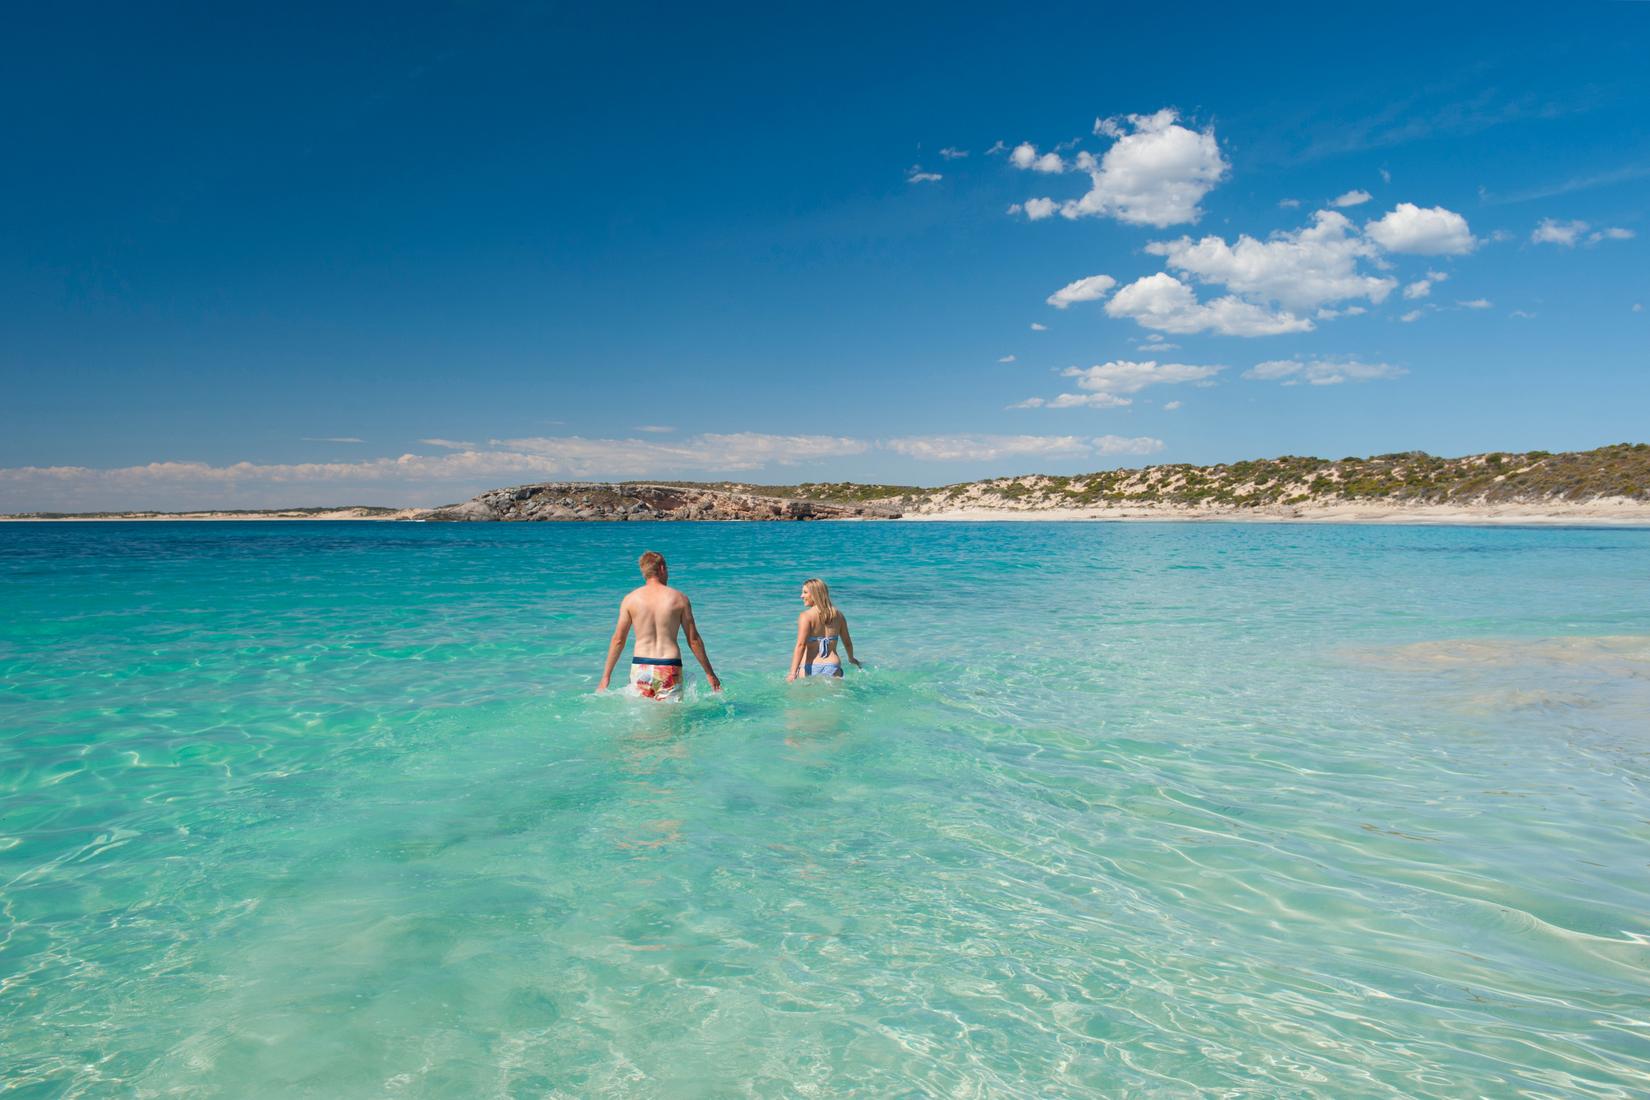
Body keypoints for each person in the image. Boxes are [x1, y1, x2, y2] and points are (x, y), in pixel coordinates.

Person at [599, 551, 721, 699]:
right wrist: (709, 673)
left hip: (640, 666)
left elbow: (618, 640)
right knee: (672, 720)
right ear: (662, 568)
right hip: (669, 666)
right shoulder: (679, 598)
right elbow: (693, 640)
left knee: (641, 717)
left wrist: (606, 676)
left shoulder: (630, 599)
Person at [787, 577, 861, 681]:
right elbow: (847, 642)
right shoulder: (838, 615)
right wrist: (851, 658)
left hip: (809, 666)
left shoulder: (806, 616)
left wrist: (792, 673)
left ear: (815, 594)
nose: (801, 596)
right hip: (832, 665)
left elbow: (801, 645)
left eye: (805, 592)